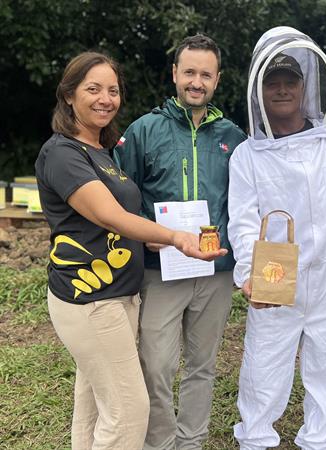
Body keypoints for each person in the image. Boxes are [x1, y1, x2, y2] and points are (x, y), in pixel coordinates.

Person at [35, 52, 225, 450]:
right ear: (69, 95)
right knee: (129, 411)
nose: (105, 98)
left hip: (119, 295)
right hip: (89, 300)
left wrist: (150, 234)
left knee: (92, 407)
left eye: (113, 90)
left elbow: (125, 215)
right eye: (93, 89)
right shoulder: (62, 153)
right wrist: (174, 237)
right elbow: (109, 215)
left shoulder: (100, 150)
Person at [227, 26, 326, 450]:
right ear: (258, 91)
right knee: (264, 364)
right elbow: (243, 222)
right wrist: (248, 274)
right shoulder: (248, 155)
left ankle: (319, 441)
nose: (281, 90)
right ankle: (256, 440)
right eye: (272, 82)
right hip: (275, 274)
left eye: (290, 81)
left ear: (305, 86)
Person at [113, 34, 246, 450]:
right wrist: (144, 238)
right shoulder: (143, 130)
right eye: (189, 72)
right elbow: (119, 199)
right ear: (174, 74)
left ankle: (192, 441)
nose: (196, 81)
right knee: (155, 365)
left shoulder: (233, 137)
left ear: (217, 80)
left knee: (203, 366)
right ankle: (161, 443)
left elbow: (245, 201)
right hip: (161, 268)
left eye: (205, 74)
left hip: (214, 270)